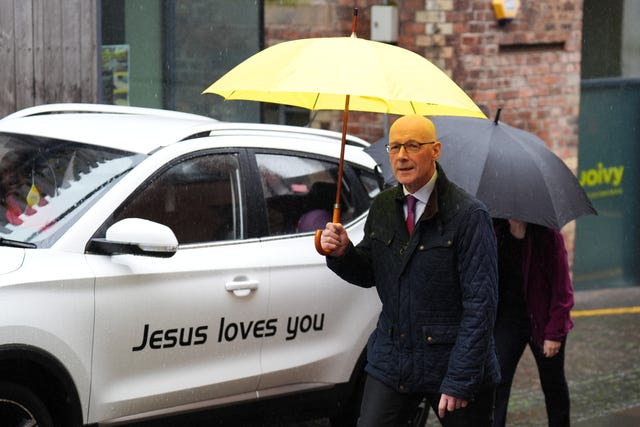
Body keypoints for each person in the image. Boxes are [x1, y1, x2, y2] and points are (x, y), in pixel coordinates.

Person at [320, 115, 500, 426]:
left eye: (413, 146)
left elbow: (481, 305)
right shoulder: (383, 207)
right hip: (394, 357)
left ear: (436, 150)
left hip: (451, 359)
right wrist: (342, 253)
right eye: (395, 147)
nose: (402, 156)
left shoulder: (469, 215)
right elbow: (369, 272)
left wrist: (460, 378)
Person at [492, 218, 574, 427]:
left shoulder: (548, 237)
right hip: (507, 322)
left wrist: (554, 334)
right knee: (496, 382)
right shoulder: (495, 232)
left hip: (544, 322)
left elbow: (562, 291)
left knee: (553, 384)